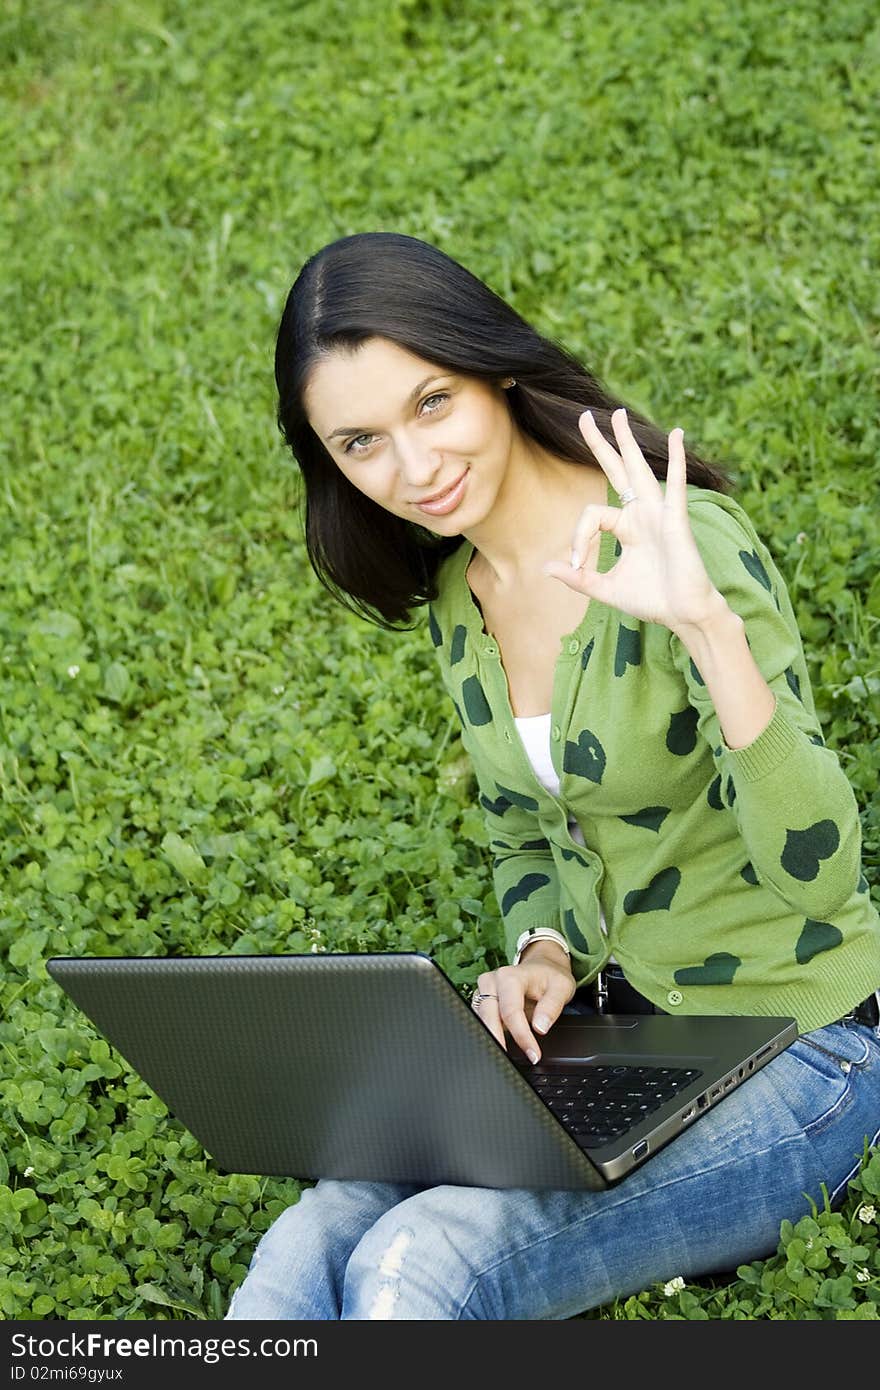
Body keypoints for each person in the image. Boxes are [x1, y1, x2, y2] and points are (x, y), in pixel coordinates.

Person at [225, 231, 880, 1320]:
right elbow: (523, 827)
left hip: (804, 1050)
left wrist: (707, 631)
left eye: (432, 403)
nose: (412, 467)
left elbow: (820, 876)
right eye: (360, 441)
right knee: (319, 1228)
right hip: (623, 1031)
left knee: (418, 1260)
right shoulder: (460, 597)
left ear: (494, 369)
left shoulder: (680, 543)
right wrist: (542, 947)